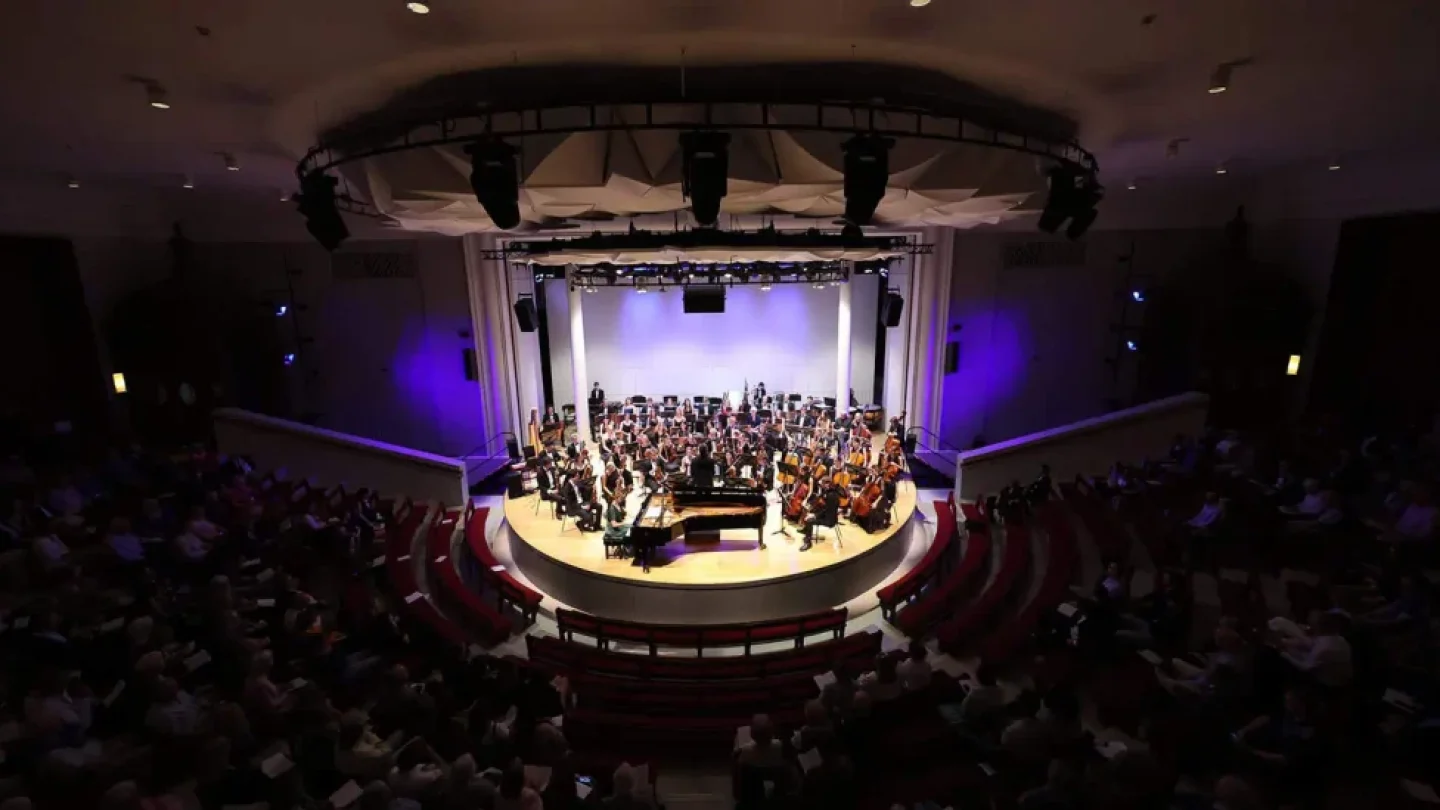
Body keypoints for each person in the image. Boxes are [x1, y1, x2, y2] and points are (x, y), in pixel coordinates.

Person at [1278, 610, 1353, 688]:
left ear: (1319, 626)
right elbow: (1311, 644)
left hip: (1326, 684)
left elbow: (1306, 667)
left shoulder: (1322, 646)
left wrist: (1284, 654)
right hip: (1345, 681)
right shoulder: (1341, 640)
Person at [800, 481, 840, 552]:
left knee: (809, 520)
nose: (821, 486)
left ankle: (808, 543)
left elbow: (826, 510)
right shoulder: (831, 493)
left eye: (823, 484)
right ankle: (806, 531)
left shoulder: (831, 496)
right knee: (809, 514)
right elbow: (823, 506)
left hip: (829, 520)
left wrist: (815, 515)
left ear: (827, 484)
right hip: (829, 516)